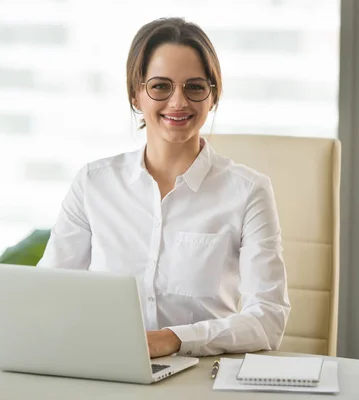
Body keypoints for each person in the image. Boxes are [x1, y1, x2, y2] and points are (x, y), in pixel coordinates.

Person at [38, 17, 290, 358]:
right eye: (160, 86)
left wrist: (174, 338)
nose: (178, 102)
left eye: (195, 87)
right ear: (135, 94)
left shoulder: (249, 192)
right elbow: (47, 294)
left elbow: (268, 320)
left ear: (212, 97)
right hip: (106, 370)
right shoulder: (93, 184)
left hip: (201, 378)